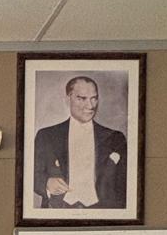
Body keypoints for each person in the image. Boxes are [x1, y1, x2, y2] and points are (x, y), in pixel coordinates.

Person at [32, 75, 128, 210]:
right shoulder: (46, 136)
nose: (90, 106)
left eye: (94, 98)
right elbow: (30, 175)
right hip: (58, 211)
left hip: (102, 213)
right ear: (68, 100)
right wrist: (47, 183)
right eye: (82, 98)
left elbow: (126, 185)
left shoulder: (116, 139)